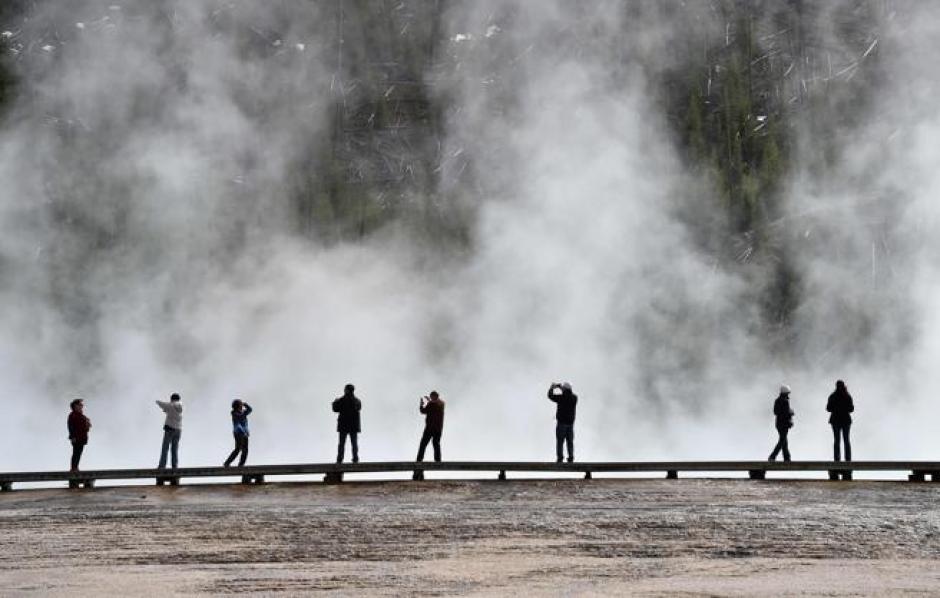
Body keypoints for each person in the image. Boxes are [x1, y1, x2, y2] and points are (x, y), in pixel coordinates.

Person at [548, 382, 577, 463]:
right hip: (570, 424)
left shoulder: (561, 398)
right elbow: (568, 394)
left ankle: (560, 458)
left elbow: (550, 396)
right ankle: (571, 457)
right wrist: (561, 387)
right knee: (570, 442)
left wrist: (552, 388)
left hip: (561, 423)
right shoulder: (574, 398)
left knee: (560, 441)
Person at [332, 384, 362, 463]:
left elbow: (335, 409)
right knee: (354, 443)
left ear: (347, 390)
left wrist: (335, 402)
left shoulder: (341, 400)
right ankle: (355, 459)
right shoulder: (357, 401)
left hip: (343, 426)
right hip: (353, 426)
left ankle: (339, 460)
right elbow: (359, 408)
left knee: (341, 444)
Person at [827, 380, 854, 462]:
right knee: (846, 440)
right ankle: (848, 459)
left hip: (835, 420)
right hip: (846, 420)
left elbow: (828, 408)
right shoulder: (847, 396)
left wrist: (836, 409)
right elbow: (851, 409)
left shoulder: (833, 396)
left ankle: (837, 459)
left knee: (836, 440)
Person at [416, 391, 445, 462]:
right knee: (436, 444)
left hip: (429, 428)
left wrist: (421, 405)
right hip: (438, 429)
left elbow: (423, 411)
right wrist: (429, 401)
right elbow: (436, 404)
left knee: (423, 444)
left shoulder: (431, 404)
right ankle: (438, 460)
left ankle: (419, 460)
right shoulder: (441, 404)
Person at [156, 393, 183, 469]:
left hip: (170, 429)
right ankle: (175, 466)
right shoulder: (180, 406)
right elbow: (173, 412)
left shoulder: (171, 405)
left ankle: (162, 466)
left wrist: (157, 401)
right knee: (174, 450)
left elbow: (162, 404)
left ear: (172, 399)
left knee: (165, 449)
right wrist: (167, 411)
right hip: (178, 430)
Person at [768, 384, 794, 462]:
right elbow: (786, 414)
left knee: (784, 441)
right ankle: (772, 456)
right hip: (784, 424)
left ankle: (787, 458)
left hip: (778, 424)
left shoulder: (777, 400)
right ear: (786, 393)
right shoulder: (785, 401)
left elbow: (775, 412)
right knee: (782, 441)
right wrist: (791, 413)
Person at [223, 399, 252, 468]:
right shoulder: (235, 414)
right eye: (241, 404)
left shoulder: (243, 413)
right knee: (238, 449)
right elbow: (238, 425)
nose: (242, 406)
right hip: (238, 433)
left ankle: (241, 464)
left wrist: (245, 404)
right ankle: (227, 463)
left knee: (245, 450)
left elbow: (250, 410)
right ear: (238, 406)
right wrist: (243, 432)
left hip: (244, 433)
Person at [67, 398, 91, 472]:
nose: (82, 406)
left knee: (78, 453)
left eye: (82, 405)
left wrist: (87, 423)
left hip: (82, 438)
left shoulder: (81, 415)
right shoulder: (73, 415)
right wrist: (72, 437)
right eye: (80, 405)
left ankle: (75, 467)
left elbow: (87, 427)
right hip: (76, 438)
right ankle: (74, 468)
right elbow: (70, 427)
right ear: (75, 406)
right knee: (76, 453)